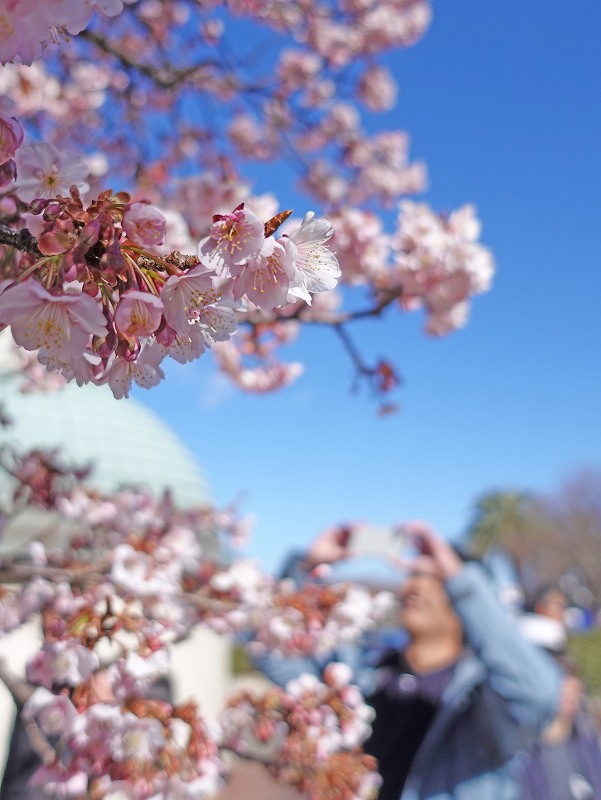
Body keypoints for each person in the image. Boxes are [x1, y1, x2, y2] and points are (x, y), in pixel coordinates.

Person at [254, 521, 562, 800]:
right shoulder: (365, 672)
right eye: (413, 574)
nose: (416, 585)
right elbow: (273, 651)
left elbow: (539, 691)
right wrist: (307, 566)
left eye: (435, 580)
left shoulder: (480, 699)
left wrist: (461, 581)